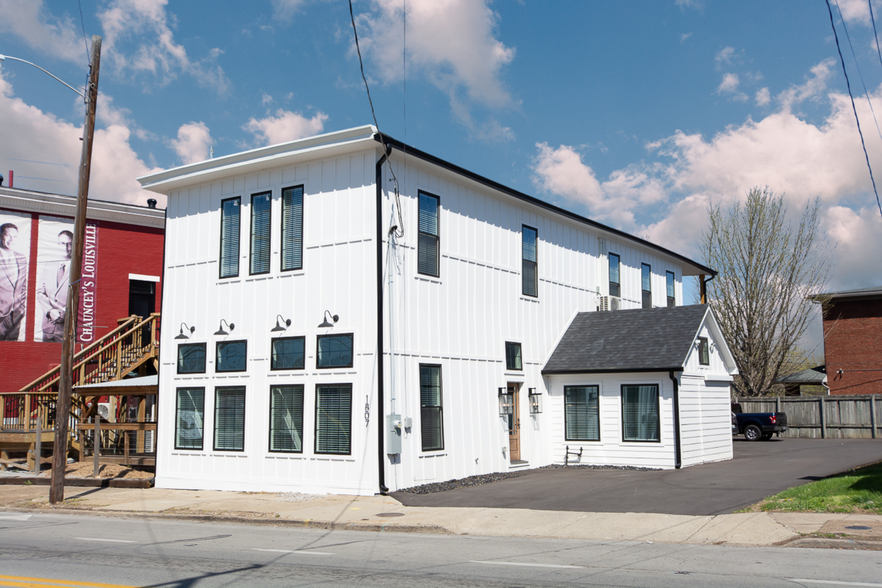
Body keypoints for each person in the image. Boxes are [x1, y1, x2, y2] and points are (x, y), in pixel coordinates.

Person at [37, 230, 73, 343]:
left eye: (69, 244)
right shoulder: (49, 266)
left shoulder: (80, 269)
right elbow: (40, 292)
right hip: (48, 327)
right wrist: (50, 311)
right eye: (62, 243)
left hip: (66, 328)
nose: (66, 247)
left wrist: (63, 314)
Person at [0, 223, 28, 341]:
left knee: (12, 346)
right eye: (8, 235)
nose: (11, 240)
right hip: (1, 314)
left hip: (15, 315)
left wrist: (21, 308)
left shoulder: (22, 258)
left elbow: (23, 286)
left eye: (15, 236)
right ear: (1, 235)